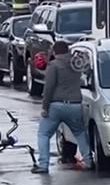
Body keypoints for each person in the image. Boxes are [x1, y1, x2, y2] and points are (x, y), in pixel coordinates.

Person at [35, 41, 94, 174]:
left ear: (55, 52)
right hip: (74, 105)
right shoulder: (76, 65)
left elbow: (49, 88)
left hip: (56, 106)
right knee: (79, 133)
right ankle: (89, 161)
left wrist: (45, 107)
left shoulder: (53, 66)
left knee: (43, 134)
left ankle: (43, 165)